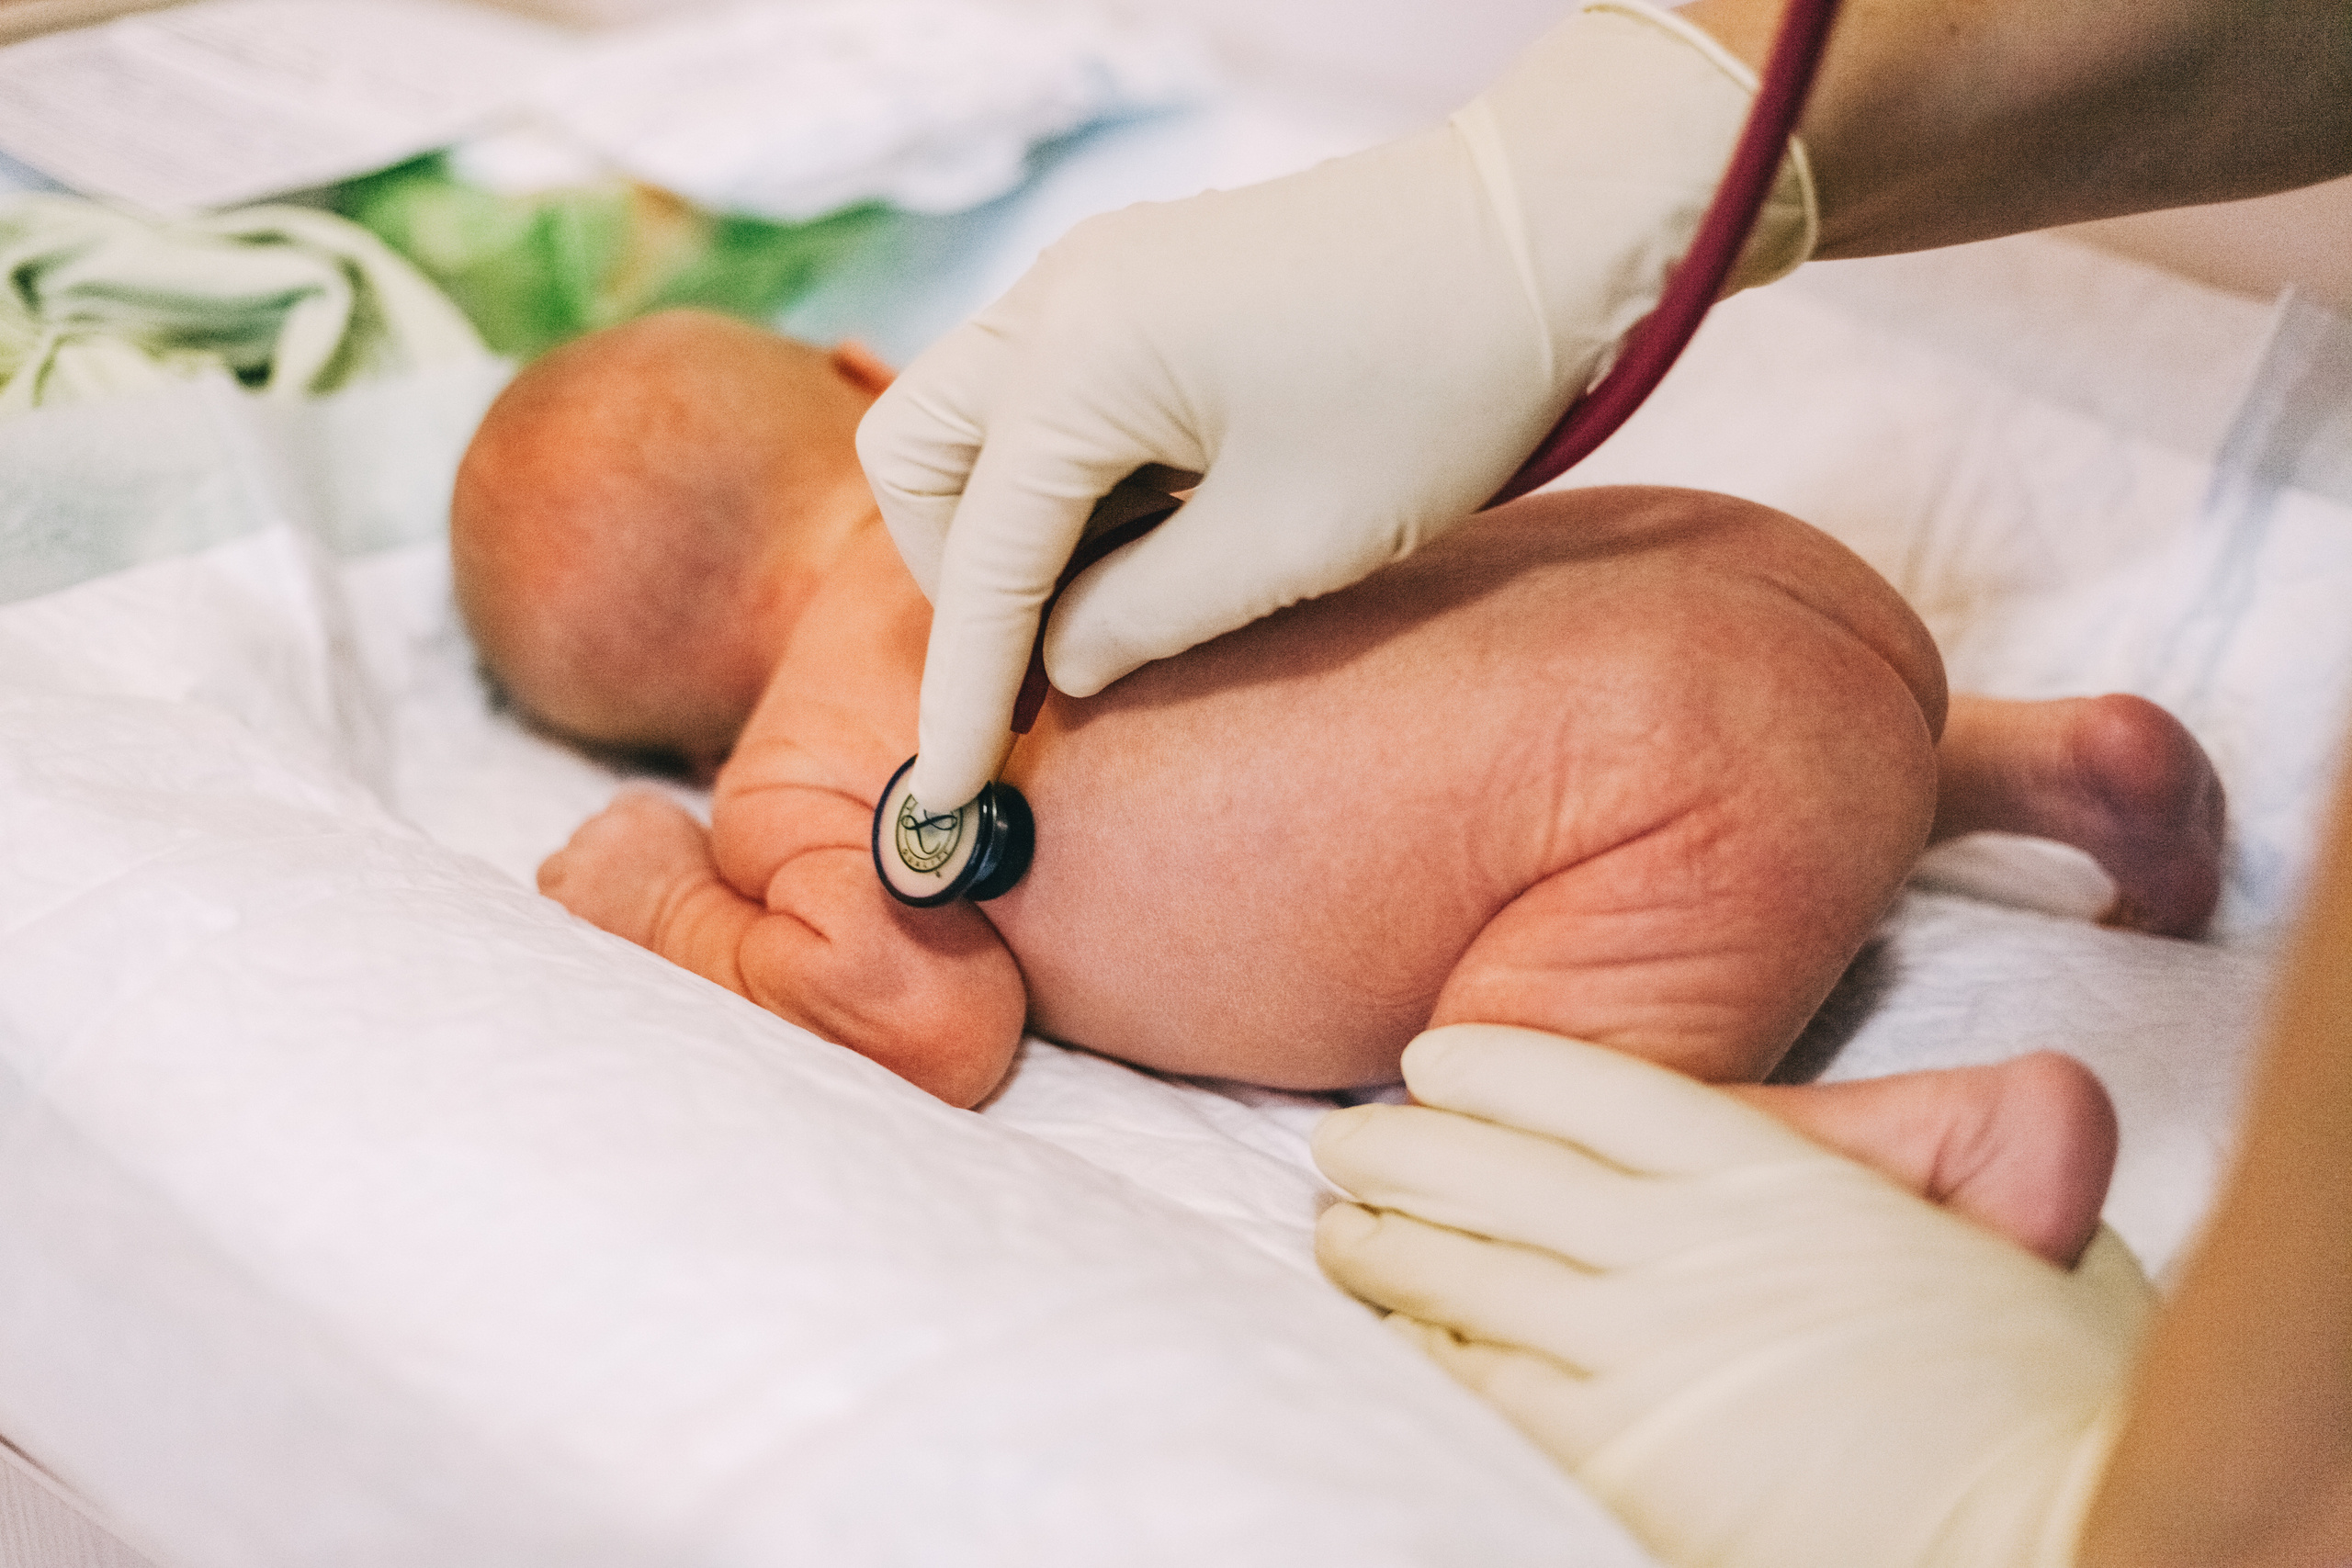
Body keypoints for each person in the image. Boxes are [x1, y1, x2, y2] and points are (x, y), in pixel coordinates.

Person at [453, 309, 2222, 1267]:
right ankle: (2041, 764)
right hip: (1765, 583)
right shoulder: (1064, 440)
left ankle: (1924, 1138)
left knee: (1474, 1164)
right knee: (1700, 682)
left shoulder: (793, 773)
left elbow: (922, 1013)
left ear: (679, 741)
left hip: (1647, 800)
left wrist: (672, 898)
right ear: (868, 374)